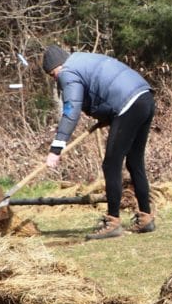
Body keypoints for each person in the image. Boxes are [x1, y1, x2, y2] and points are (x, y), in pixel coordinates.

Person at [41, 45, 157, 240]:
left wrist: (56, 148)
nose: (55, 79)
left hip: (128, 103)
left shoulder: (67, 72)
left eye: (53, 74)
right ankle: (146, 217)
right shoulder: (83, 60)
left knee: (111, 164)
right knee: (134, 161)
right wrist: (105, 114)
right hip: (144, 97)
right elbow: (100, 91)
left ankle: (112, 222)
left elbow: (71, 110)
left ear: (57, 66)